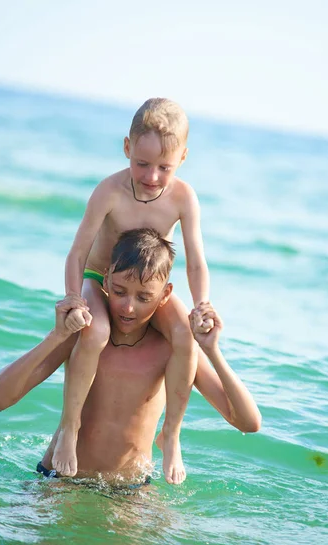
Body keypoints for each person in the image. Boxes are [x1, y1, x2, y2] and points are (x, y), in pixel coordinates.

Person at [0, 229, 261, 485]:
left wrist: (212, 351)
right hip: (60, 480)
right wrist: (56, 337)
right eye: (119, 292)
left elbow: (248, 423)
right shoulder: (83, 337)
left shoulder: (173, 351)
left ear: (165, 294)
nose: (128, 307)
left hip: (131, 491)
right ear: (104, 280)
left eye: (144, 297)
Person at [56, 98, 213, 483]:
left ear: (183, 159)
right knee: (96, 331)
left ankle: (171, 434)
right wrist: (75, 295)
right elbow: (78, 253)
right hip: (100, 276)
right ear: (127, 147)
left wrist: (202, 305)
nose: (152, 176)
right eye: (142, 164)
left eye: (165, 167)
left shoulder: (183, 198)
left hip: (146, 289)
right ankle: (70, 429)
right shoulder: (109, 191)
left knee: (183, 336)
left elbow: (195, 261)